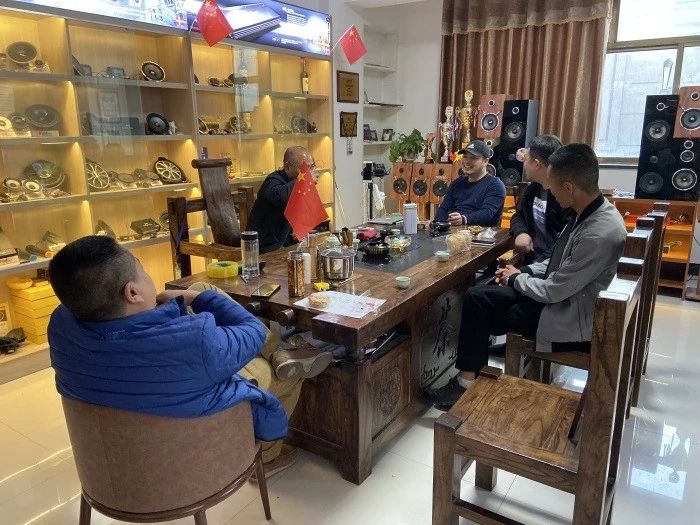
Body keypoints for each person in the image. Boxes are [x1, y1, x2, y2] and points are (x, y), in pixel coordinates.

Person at [48, 236, 332, 477]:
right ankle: (268, 456)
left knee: (201, 288)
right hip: (195, 450)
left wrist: (187, 299)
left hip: (115, 464)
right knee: (286, 374)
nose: (148, 277)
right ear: (132, 292)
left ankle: (281, 351)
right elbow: (253, 330)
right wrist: (196, 301)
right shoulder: (194, 341)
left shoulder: (60, 326)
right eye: (142, 271)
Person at [425, 144, 627, 409]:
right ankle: (471, 373)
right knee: (480, 294)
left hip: (566, 316)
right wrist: (523, 271)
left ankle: (466, 383)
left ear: (568, 187)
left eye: (552, 186)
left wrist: (515, 279)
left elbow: (554, 290)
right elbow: (558, 262)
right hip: (564, 300)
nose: (550, 191)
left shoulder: (598, 232)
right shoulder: (592, 212)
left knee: (478, 306)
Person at [247, 146, 319, 254]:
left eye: (311, 167)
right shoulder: (273, 181)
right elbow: (281, 197)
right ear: (287, 166)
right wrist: (304, 180)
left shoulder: (295, 182)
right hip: (263, 248)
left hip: (285, 242)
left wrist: (297, 228)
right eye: (304, 169)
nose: (308, 172)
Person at [510, 134, 569, 263]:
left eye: (526, 160)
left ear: (537, 164)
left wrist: (527, 270)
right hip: (532, 259)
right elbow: (518, 216)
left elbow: (564, 244)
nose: (524, 165)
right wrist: (521, 232)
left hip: (552, 265)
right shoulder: (533, 189)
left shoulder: (565, 198)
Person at [434, 140, 506, 227]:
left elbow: (487, 213)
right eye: (465, 157)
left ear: (485, 161)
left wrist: (464, 219)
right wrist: (437, 224)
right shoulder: (457, 183)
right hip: (453, 231)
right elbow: (443, 208)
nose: (467, 161)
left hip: (481, 233)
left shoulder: (495, 185)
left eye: (473, 158)